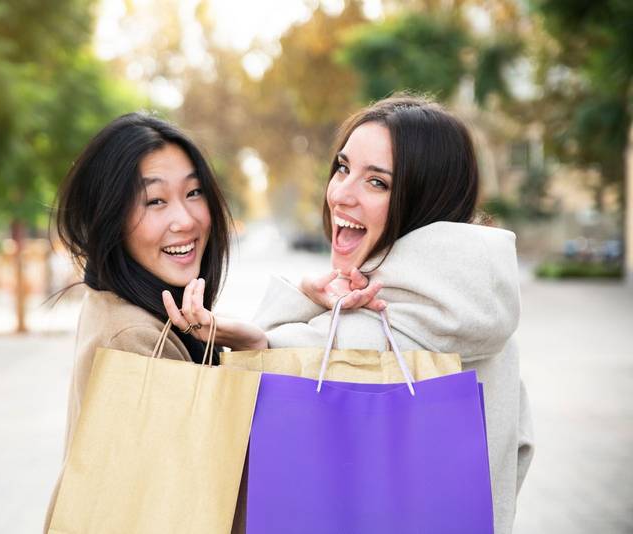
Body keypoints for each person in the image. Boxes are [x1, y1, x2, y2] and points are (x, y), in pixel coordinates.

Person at [167, 96, 534, 534]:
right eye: (342, 168)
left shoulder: (359, 332)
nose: (341, 194)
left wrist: (295, 306)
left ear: (424, 198)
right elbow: (520, 448)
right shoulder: (488, 314)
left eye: (377, 183)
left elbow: (264, 389)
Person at [42, 112, 259, 533]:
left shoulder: (116, 305)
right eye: (155, 201)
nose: (186, 219)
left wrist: (250, 339)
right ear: (111, 218)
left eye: (194, 192)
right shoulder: (137, 338)